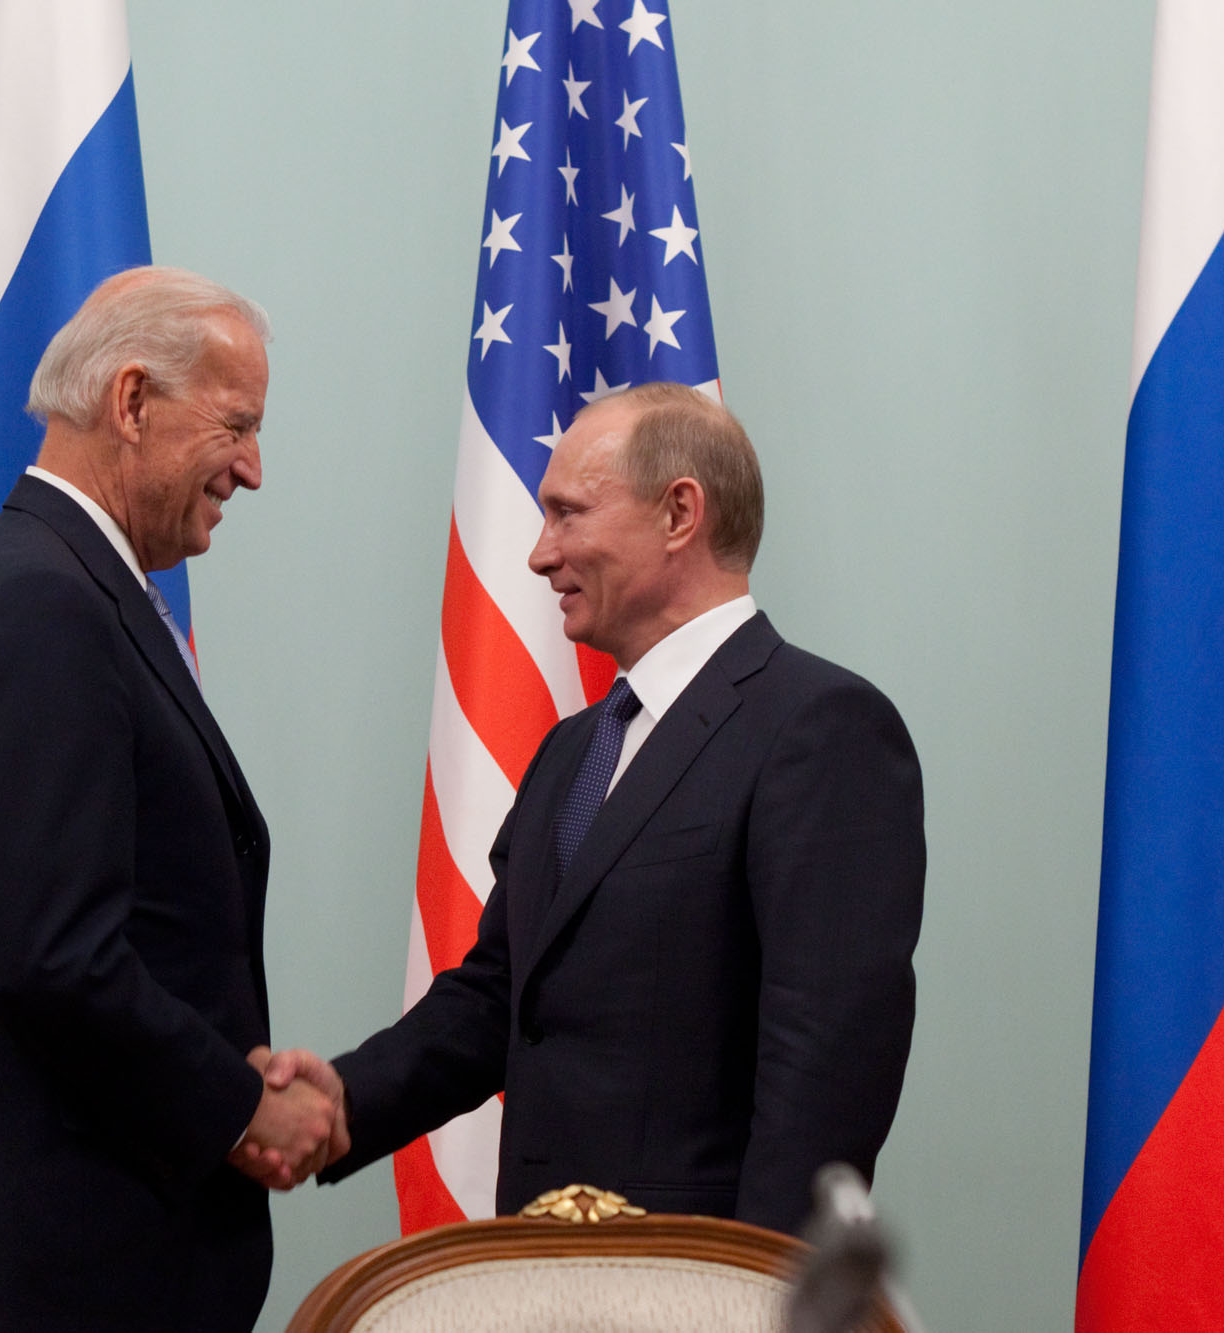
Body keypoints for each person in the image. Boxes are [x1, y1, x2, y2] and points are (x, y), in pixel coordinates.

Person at [290, 381, 925, 1234]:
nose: (539, 555)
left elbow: (828, 1065)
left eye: (568, 514)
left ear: (679, 513)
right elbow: (501, 993)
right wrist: (342, 1102)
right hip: (541, 1265)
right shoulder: (573, 750)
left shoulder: (820, 729)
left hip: (698, 1279)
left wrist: (763, 1293)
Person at [0, 267, 338, 1332]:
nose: (254, 470)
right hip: (58, 1270)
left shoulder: (67, 590)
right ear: (131, 403)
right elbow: (50, 958)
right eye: (236, 425)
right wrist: (239, 1107)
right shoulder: (41, 607)